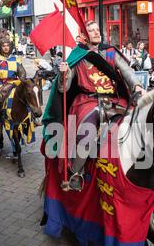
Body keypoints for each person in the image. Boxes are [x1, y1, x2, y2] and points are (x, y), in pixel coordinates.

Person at [47, 20, 145, 191]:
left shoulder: (110, 53)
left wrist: (136, 85)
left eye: (97, 29)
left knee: (137, 122)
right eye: (91, 31)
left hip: (114, 99)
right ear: (84, 36)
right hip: (88, 100)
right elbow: (64, 88)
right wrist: (65, 73)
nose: (96, 33)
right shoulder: (77, 57)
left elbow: (128, 72)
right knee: (88, 130)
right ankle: (75, 173)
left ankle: (141, 167)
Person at [0, 37, 27, 129]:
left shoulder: (16, 58)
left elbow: (22, 73)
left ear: (10, 47)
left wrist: (20, 82)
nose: (6, 48)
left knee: (28, 95)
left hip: (14, 83)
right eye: (3, 46)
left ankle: (32, 119)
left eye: (7, 46)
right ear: (0, 47)